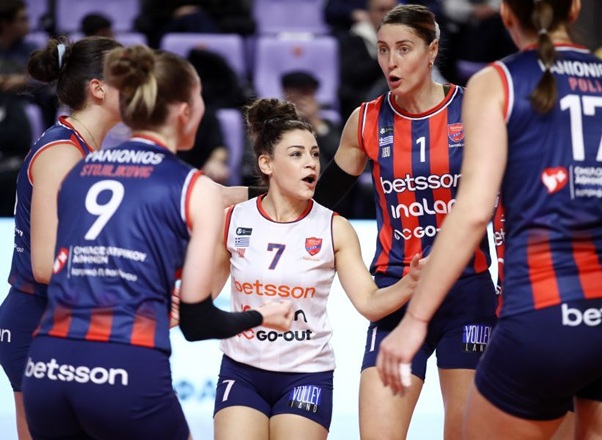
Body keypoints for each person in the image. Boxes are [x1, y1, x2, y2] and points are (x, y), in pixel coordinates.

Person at [376, 1, 602, 439]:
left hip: (550, 311)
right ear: (574, 8)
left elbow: (473, 212)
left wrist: (414, 322)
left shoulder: (499, 81)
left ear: (507, 13)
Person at [21, 44, 293, 439]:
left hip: (46, 366)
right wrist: (262, 316)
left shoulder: (80, 168)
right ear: (185, 111)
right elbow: (198, 323)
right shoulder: (193, 187)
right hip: (123, 364)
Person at [313, 5, 498, 439]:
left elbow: (510, 195)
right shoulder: (366, 120)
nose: (391, 62)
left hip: (466, 291)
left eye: (403, 48)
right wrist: (246, 198)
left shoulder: (472, 109)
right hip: (395, 291)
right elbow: (319, 200)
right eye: (382, 50)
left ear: (432, 51)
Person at [213, 97, 424, 440]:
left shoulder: (334, 227)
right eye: (296, 154)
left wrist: (411, 282)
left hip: (306, 374)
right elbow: (203, 295)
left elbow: (370, 303)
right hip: (241, 370)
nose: (311, 162)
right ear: (267, 163)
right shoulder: (234, 219)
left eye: (314, 153)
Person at [0, 35, 124, 440]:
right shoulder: (63, 154)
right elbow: (45, 264)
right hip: (39, 321)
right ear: (98, 88)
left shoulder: (86, 149)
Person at [0, 0, 39, 217]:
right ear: (5, 24)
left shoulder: (30, 50)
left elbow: (42, 80)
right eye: (22, 19)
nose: (28, 24)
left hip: (21, 110)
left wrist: (19, 81)